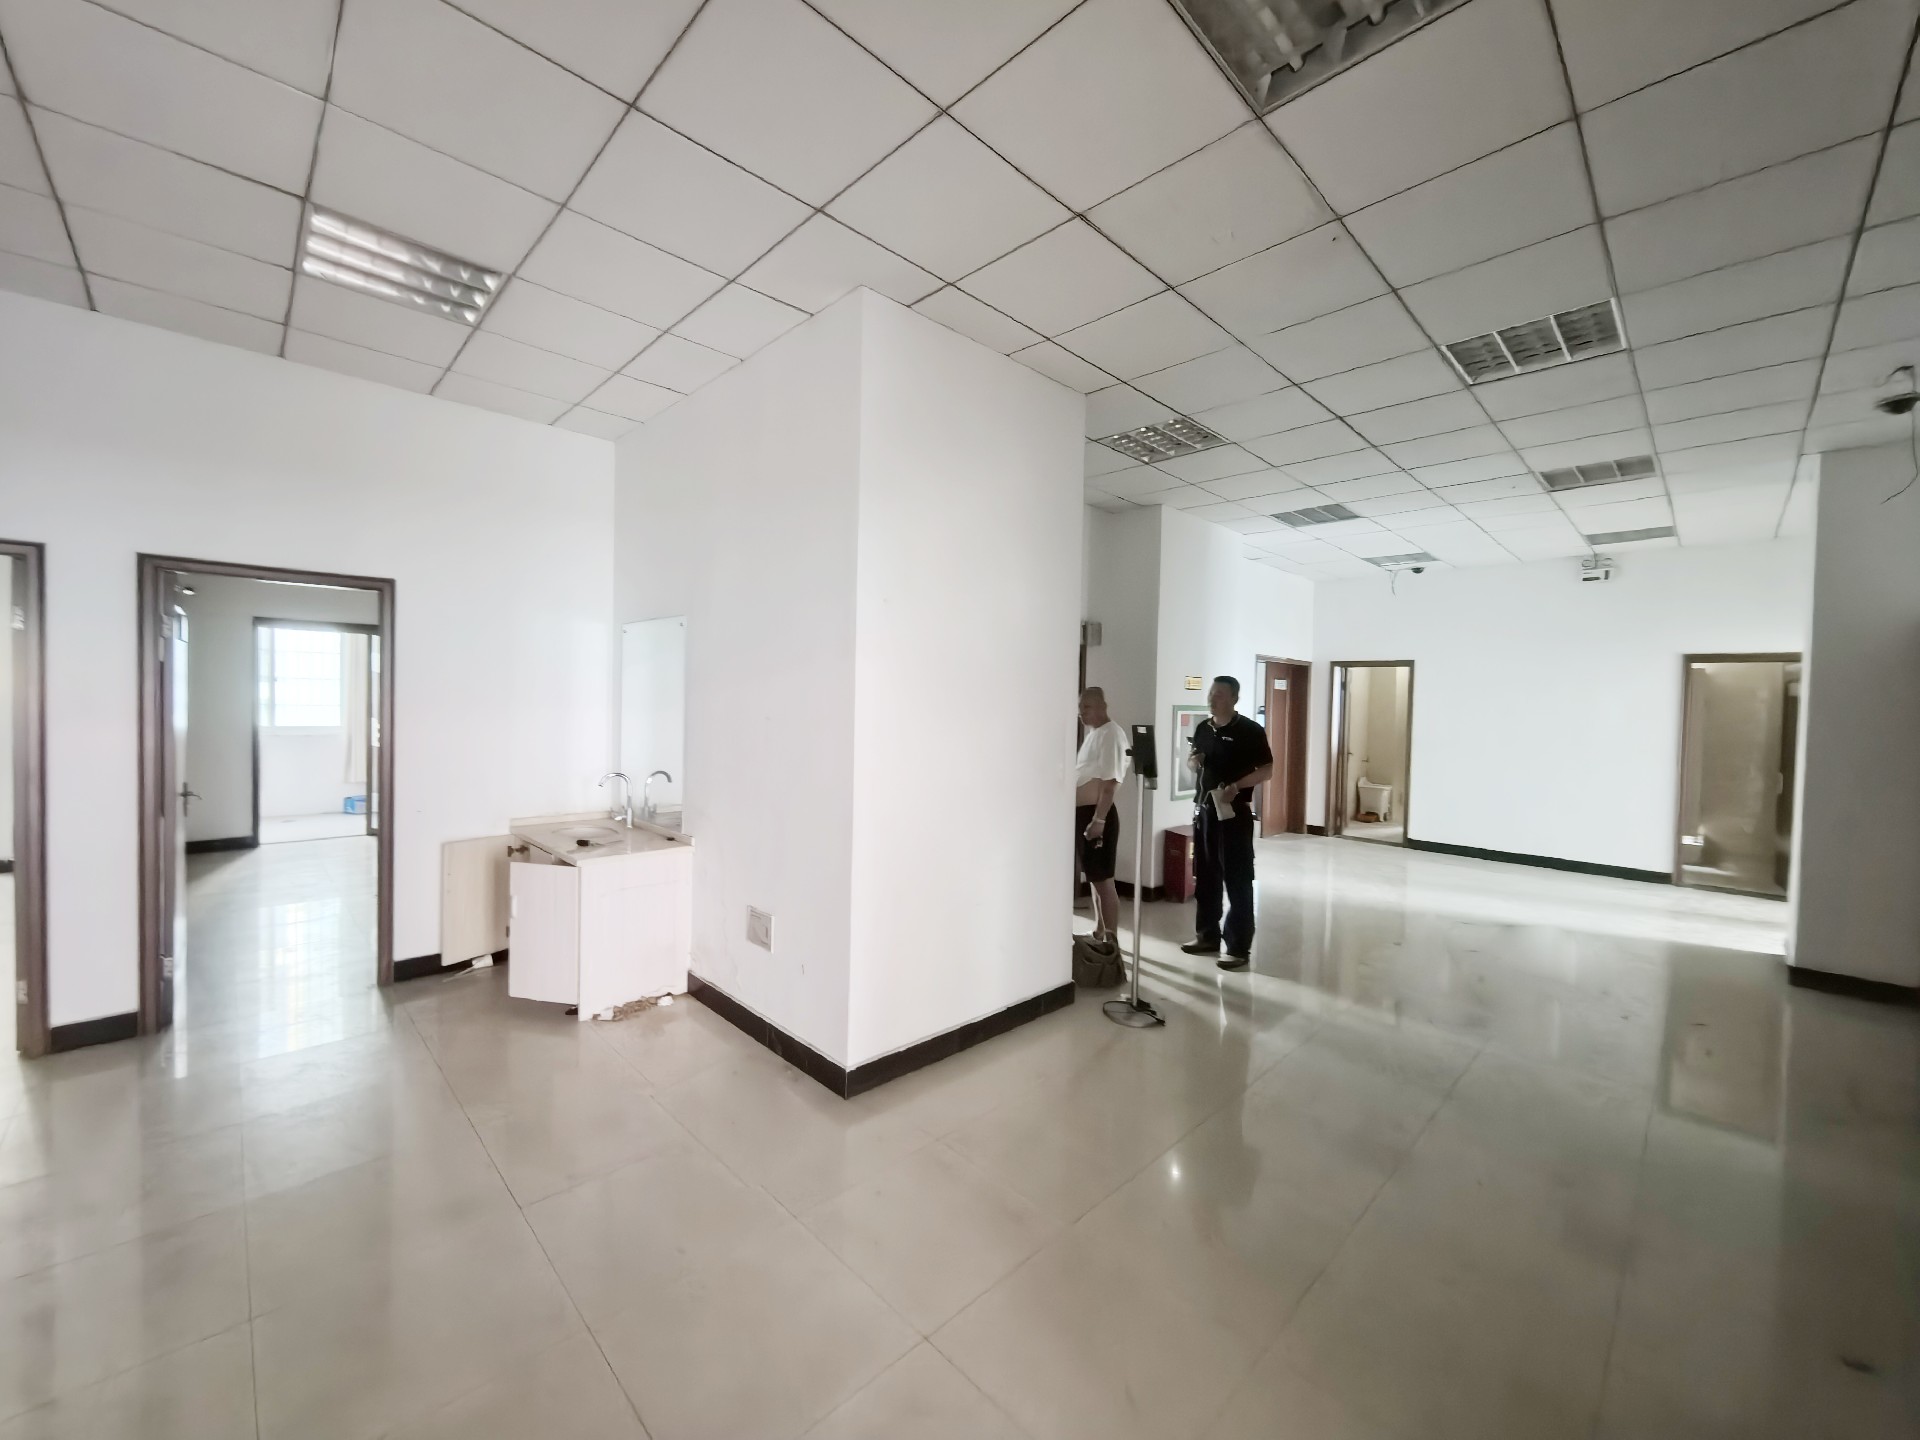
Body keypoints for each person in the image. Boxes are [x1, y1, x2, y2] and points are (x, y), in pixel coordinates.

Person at [1181, 675, 1272, 970]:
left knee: (1237, 880)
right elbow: (1193, 761)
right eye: (1211, 693)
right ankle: (1207, 936)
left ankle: (1238, 947)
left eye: (1219, 694)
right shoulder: (1203, 728)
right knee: (1206, 877)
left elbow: (1267, 769)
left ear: (1234, 698)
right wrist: (1193, 762)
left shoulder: (1250, 731)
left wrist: (1237, 785)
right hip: (1205, 812)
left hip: (1234, 815)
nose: (1212, 698)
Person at [1074, 687, 1128, 941]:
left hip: (1097, 816)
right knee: (1095, 878)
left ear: (1102, 707)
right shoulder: (1094, 734)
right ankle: (1099, 930)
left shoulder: (1111, 734)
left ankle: (1111, 940)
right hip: (1085, 815)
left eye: (1086, 707)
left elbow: (1110, 783)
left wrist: (1099, 819)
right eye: (1080, 707)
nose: (1081, 712)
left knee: (1104, 880)